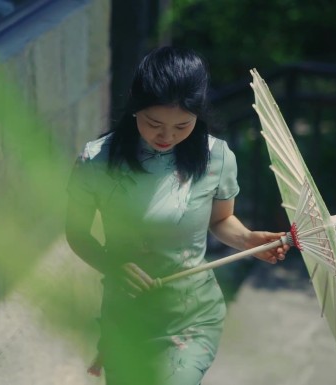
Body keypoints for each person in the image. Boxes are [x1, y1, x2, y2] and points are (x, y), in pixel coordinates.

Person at [65, 46, 289, 385]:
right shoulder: (97, 160)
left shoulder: (217, 158)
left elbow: (219, 220)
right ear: (135, 107)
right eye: (154, 123)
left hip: (192, 316)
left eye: (182, 126)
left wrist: (247, 239)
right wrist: (112, 263)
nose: (166, 136)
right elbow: (77, 233)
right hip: (127, 315)